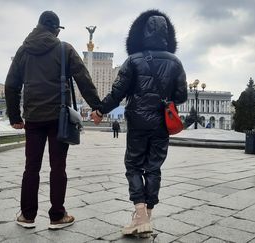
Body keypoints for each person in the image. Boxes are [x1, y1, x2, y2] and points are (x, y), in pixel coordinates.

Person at [91, 9, 187, 237]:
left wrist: (99, 111)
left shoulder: (133, 60)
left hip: (138, 121)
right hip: (161, 124)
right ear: (167, 35)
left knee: (133, 165)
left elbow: (117, 92)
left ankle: (140, 215)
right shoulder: (175, 62)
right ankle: (146, 216)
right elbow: (182, 96)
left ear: (143, 34)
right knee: (154, 167)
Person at [5, 10, 102, 230]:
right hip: (59, 118)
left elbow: (11, 85)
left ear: (38, 26)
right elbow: (83, 79)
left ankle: (27, 216)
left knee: (32, 167)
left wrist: (14, 117)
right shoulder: (64, 48)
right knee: (58, 166)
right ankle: (57, 215)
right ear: (56, 30)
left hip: (33, 117)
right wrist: (98, 107)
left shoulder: (24, 50)